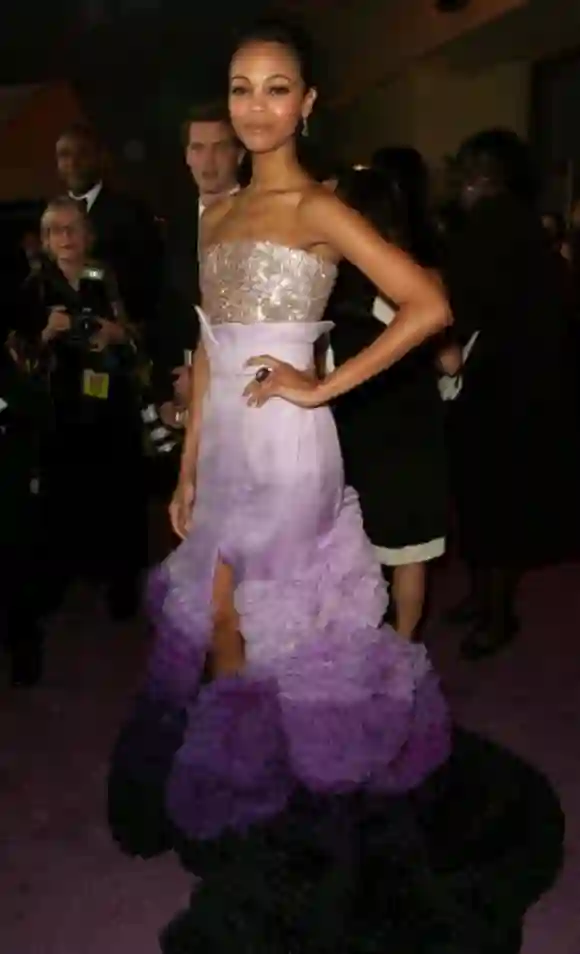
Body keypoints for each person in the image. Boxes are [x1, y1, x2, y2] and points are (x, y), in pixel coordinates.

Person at [108, 25, 564, 952]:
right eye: (242, 88)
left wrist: (320, 383)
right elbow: (207, 349)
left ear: (307, 105)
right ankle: (248, 799)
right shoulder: (216, 211)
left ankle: (288, 802)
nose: (257, 106)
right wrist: (190, 464)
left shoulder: (318, 207)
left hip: (289, 451)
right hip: (227, 444)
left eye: (278, 89)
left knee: (275, 622)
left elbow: (429, 304)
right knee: (224, 622)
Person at [443, 129, 580, 659]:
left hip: (497, 386)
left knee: (493, 505)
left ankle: (496, 614)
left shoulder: (488, 227)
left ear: (482, 173)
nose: (455, 178)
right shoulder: (523, 225)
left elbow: (465, 305)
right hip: (523, 383)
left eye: (463, 168)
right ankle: (485, 603)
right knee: (492, 502)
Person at [327, 164, 447, 638]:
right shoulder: (420, 275)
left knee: (358, 554)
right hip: (412, 429)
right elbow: (450, 360)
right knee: (410, 555)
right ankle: (402, 653)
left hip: (356, 427)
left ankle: (365, 653)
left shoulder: (334, 282)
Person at [15, 196, 147, 620]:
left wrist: (115, 333)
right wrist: (45, 336)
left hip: (111, 405)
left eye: (73, 228)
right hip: (59, 409)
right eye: (56, 230)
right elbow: (18, 358)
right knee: (60, 497)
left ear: (88, 235)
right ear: (46, 239)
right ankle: (62, 579)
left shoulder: (107, 277)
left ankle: (119, 583)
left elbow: (137, 337)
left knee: (117, 494)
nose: (66, 238)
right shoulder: (33, 286)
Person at [153, 101, 244, 432]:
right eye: (198, 148)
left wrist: (208, 377)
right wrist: (166, 392)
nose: (208, 161)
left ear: (240, 154)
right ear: (187, 156)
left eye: (219, 148)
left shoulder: (262, 219)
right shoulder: (175, 227)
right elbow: (168, 312)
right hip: (187, 398)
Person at [55, 123, 162, 337]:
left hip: (120, 337)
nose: (73, 163)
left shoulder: (131, 212)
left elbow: (149, 281)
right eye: (64, 155)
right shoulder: (51, 215)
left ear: (100, 158)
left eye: (82, 153)